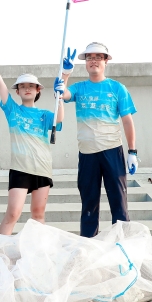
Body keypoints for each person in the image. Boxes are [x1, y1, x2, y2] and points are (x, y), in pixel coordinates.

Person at [0, 43, 64, 235]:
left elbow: (59, 118)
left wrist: (60, 96)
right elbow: (1, 85)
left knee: (38, 214)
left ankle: (37, 253)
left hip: (42, 168)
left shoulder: (45, 115)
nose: (27, 89)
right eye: (23, 86)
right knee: (13, 213)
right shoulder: (13, 110)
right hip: (20, 168)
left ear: (38, 90)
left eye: (31, 86)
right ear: (18, 91)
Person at [60, 42, 138, 238]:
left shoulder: (117, 88)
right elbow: (63, 93)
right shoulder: (79, 88)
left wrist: (132, 152)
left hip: (112, 151)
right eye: (89, 57)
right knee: (89, 206)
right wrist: (65, 74)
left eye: (98, 57)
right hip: (87, 155)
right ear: (85, 63)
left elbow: (127, 121)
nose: (93, 60)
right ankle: (88, 248)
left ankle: (122, 247)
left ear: (106, 61)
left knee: (119, 205)